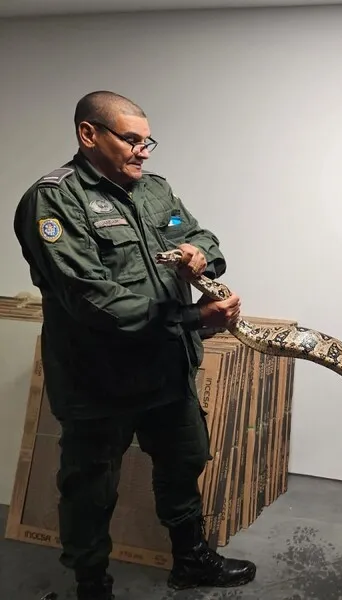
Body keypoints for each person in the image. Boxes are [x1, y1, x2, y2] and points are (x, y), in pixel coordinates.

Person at [13, 91, 254, 600]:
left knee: (183, 463)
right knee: (91, 488)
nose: (144, 152)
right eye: (131, 140)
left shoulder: (155, 193)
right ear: (88, 134)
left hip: (166, 370)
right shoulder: (56, 200)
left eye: (148, 142)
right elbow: (90, 298)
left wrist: (196, 254)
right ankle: (91, 586)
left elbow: (200, 235)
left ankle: (190, 560)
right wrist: (193, 317)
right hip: (98, 380)